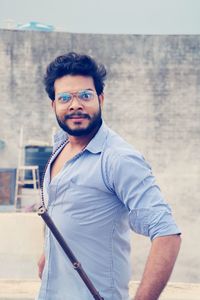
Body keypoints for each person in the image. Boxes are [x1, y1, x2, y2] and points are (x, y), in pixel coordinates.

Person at [37, 52, 181, 300]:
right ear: (54, 105)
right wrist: (48, 256)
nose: (75, 105)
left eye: (85, 95)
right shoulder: (60, 146)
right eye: (64, 98)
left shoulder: (118, 159)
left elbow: (167, 234)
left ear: (101, 99)